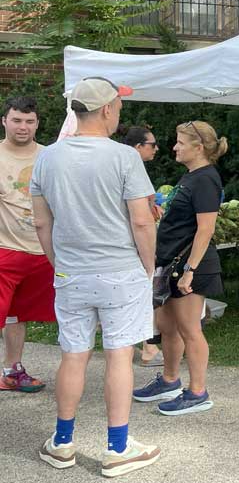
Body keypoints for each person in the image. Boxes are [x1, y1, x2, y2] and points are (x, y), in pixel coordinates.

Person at [31, 77, 161, 475]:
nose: (119, 113)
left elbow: (41, 223)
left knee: (74, 354)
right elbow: (142, 221)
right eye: (117, 107)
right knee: (119, 355)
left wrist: (58, 262)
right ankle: (117, 448)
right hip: (120, 270)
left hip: (72, 271)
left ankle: (63, 443)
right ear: (106, 110)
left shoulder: (47, 157)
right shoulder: (125, 158)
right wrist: (148, 265)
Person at [133, 121, 227, 417]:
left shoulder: (206, 179)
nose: (174, 147)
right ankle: (170, 381)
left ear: (198, 148)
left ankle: (198, 392)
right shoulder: (191, 176)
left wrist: (190, 270)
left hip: (188, 267)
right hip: (169, 264)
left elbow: (205, 229)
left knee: (190, 329)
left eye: (180, 142)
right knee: (167, 327)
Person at [0, 96, 56, 393]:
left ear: (37, 124)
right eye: (17, 120)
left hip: (40, 251)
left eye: (29, 121)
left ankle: (12, 371)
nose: (23, 127)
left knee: (17, 316)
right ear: (4, 121)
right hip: (4, 250)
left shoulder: (50, 156)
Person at [121, 125, 164, 367]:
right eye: (152, 145)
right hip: (133, 245)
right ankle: (148, 347)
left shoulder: (121, 164)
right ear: (138, 147)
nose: (156, 149)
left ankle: (142, 344)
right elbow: (138, 218)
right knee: (142, 293)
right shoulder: (131, 166)